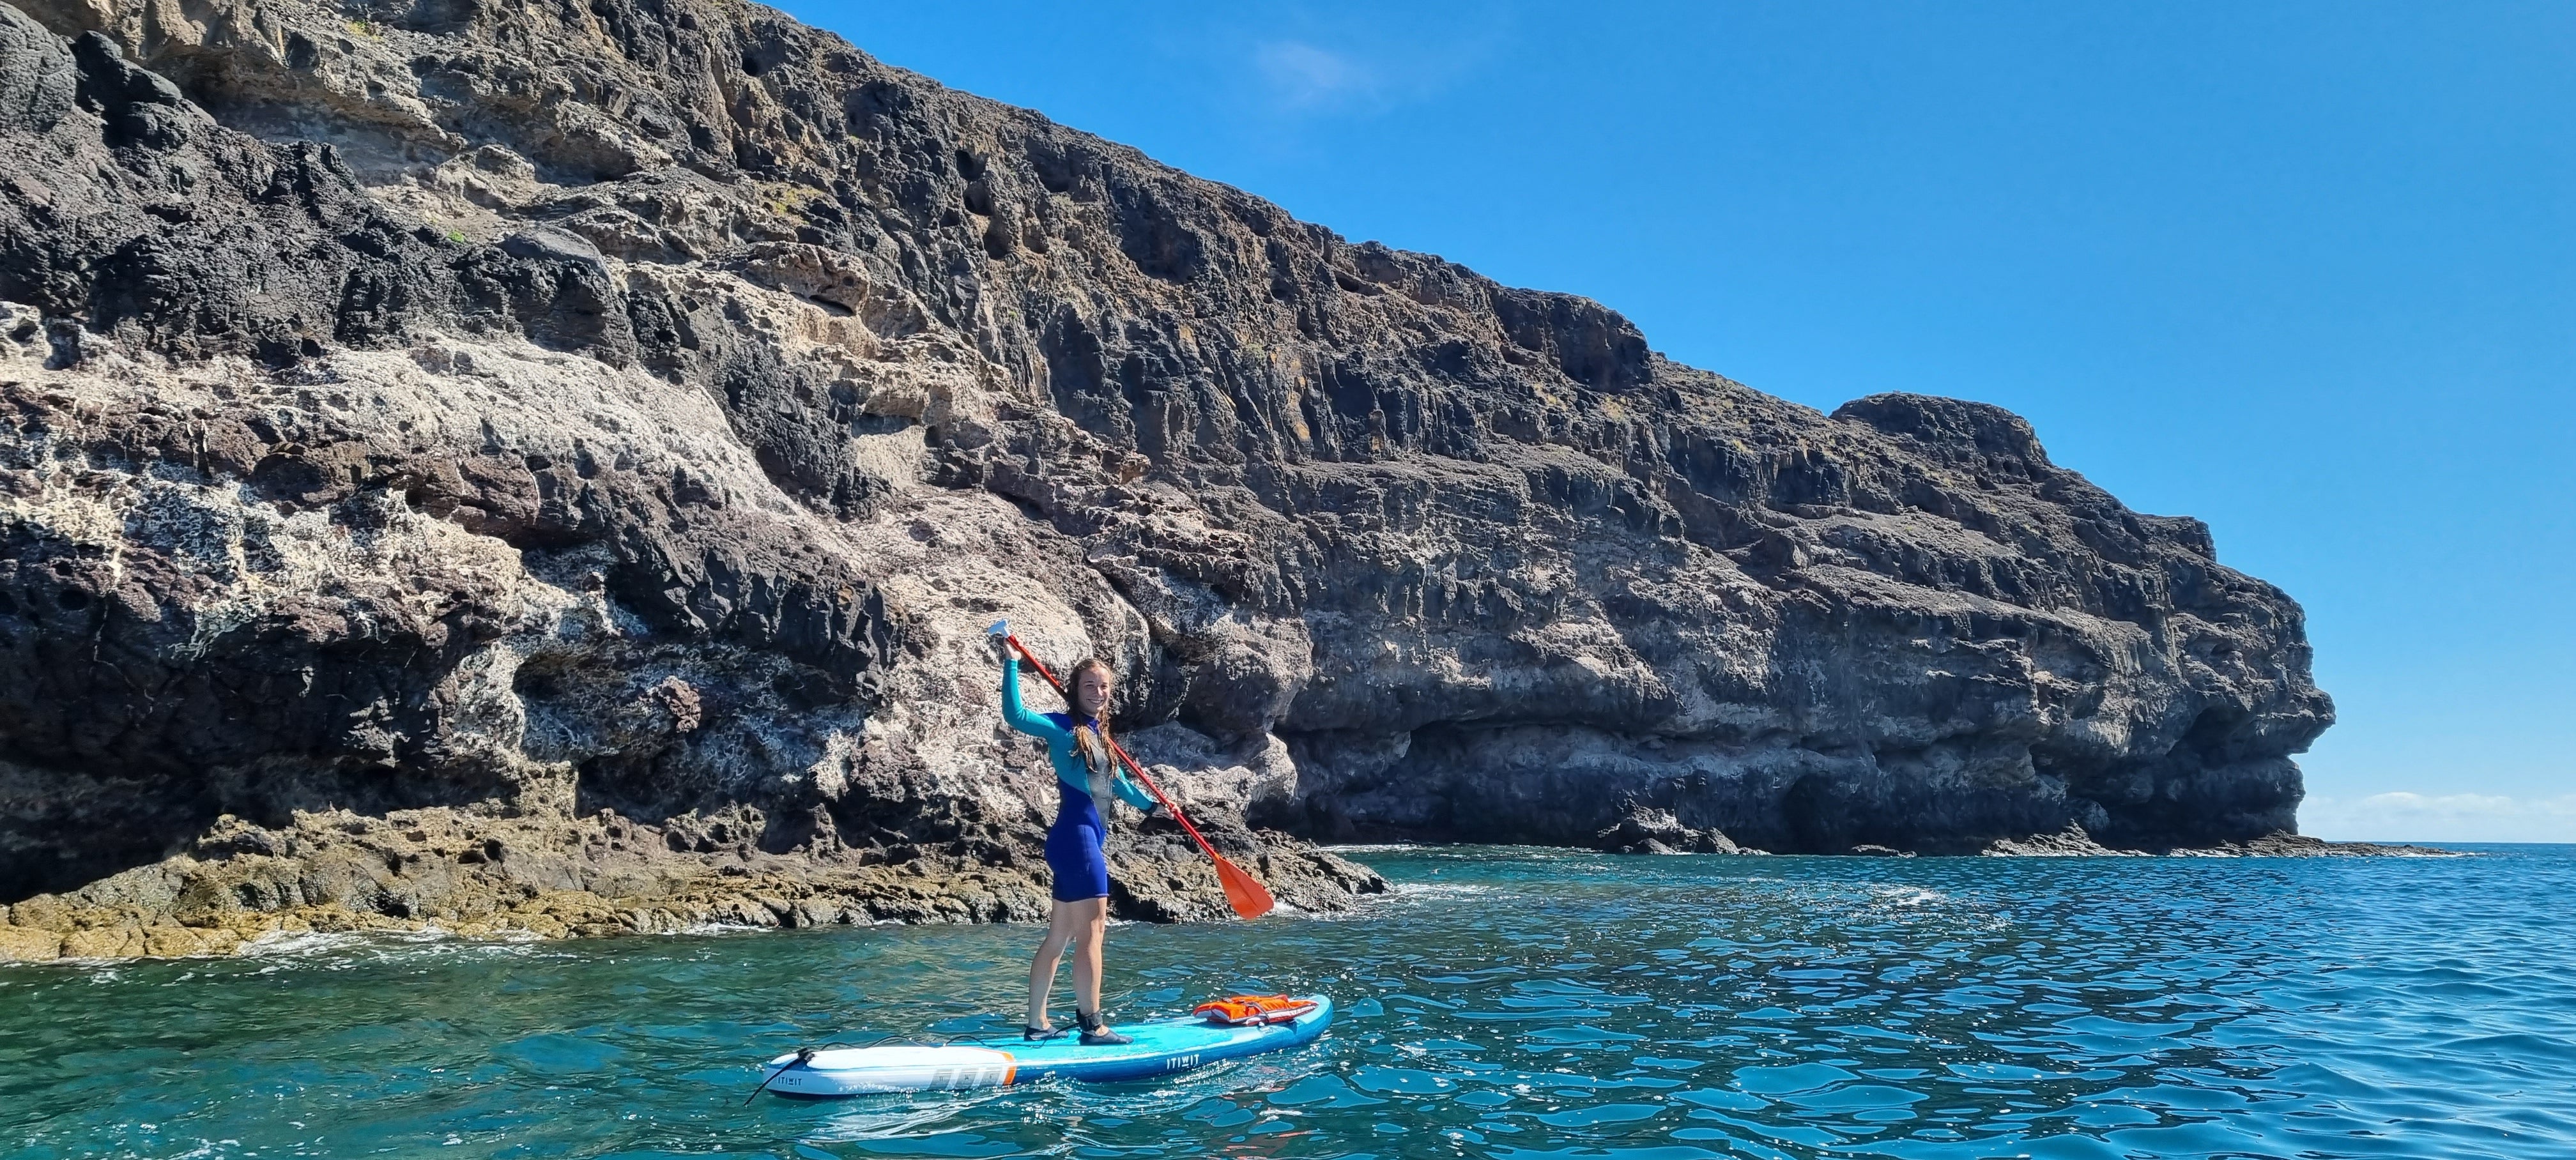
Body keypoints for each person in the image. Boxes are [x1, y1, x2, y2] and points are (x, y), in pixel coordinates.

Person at [995, 636, 1157, 1046]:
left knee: (1060, 937)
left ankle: (1037, 1024)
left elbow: (1118, 785)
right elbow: (1016, 715)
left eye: (1104, 686)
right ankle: (1093, 1026)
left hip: (1074, 843)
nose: (1098, 693)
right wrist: (1012, 664)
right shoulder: (1064, 728)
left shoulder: (1099, 737)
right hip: (1078, 841)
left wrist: (1153, 807)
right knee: (1093, 933)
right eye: (1089, 685)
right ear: (1074, 689)